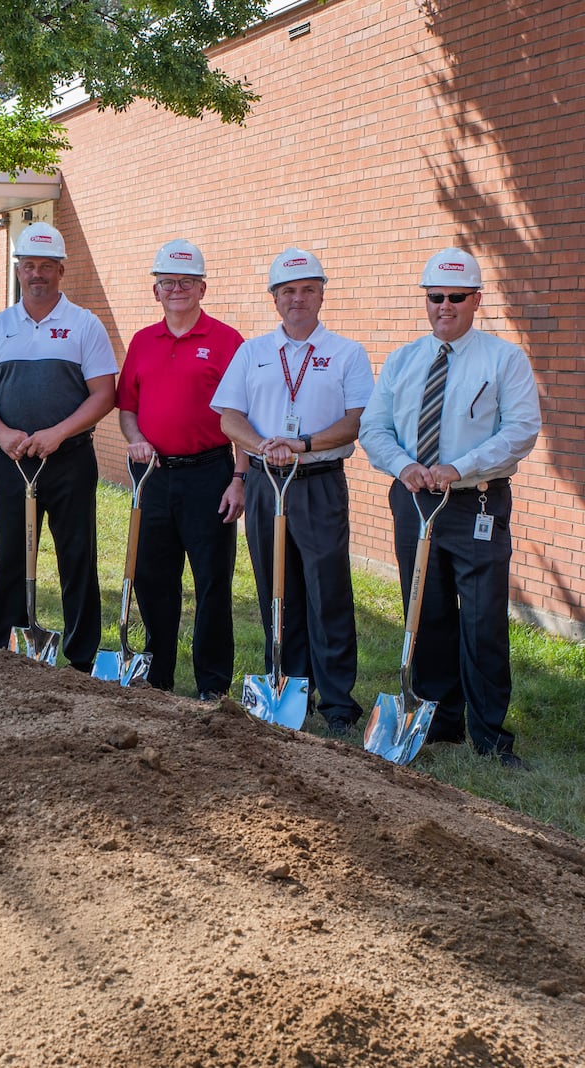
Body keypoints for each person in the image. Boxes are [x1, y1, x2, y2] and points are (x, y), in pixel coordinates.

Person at [359, 248, 541, 768]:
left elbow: (521, 430)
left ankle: (490, 735)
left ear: (476, 300)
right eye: (435, 297)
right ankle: (440, 720)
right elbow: (375, 428)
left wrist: (459, 467)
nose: (444, 306)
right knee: (427, 608)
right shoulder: (404, 359)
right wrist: (403, 466)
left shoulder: (504, 359)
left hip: (474, 502)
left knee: (482, 620)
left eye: (456, 298)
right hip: (414, 500)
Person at [211, 247, 375, 734]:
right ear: (274, 299)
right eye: (288, 291)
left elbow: (354, 422)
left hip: (318, 484)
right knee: (276, 589)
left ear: (321, 294)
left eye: (307, 289)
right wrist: (262, 445)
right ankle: (287, 686)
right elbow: (228, 417)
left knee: (328, 591)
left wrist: (301, 444)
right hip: (266, 483)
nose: (297, 298)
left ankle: (339, 704)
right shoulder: (253, 352)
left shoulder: (346, 353)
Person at [0, 222, 118, 671]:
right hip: (12, 462)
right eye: (28, 265)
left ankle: (82, 657)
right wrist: (2, 433)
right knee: (12, 555)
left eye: (46, 266)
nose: (36, 274)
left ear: (61, 271)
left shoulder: (84, 325)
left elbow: (103, 394)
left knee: (77, 558)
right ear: (17, 270)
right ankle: (4, 653)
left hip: (69, 460)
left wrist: (59, 433)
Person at [116, 240, 247, 698]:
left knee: (212, 579)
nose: (177, 289)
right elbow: (127, 408)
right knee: (153, 578)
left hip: (209, 473)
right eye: (168, 282)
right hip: (152, 474)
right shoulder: (141, 342)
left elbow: (243, 416)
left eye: (186, 282)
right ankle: (158, 677)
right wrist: (135, 439)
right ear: (156, 291)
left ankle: (212, 684)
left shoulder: (228, 341)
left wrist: (239, 477)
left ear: (202, 288)